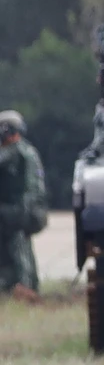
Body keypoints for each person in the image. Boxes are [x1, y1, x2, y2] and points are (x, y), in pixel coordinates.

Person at [0, 110, 47, 301]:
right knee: (22, 245)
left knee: (15, 244)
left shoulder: (14, 151)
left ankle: (22, 286)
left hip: (18, 212)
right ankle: (30, 285)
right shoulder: (28, 150)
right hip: (31, 210)